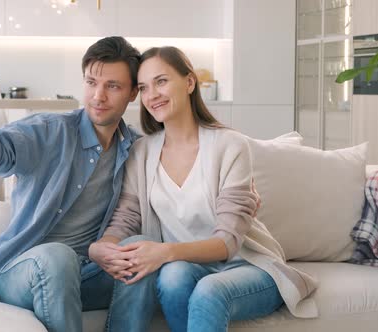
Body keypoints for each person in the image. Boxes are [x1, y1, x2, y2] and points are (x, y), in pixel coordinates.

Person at [0, 36, 158, 332]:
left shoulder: (135, 149)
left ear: (133, 93)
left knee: (139, 250)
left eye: (112, 86)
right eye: (91, 82)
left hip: (87, 274)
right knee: (58, 256)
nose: (98, 96)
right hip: (23, 272)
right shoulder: (48, 131)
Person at [97, 46, 319, 332]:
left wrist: (164, 252)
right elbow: (126, 218)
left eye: (161, 81)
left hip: (249, 266)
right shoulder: (141, 152)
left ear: (189, 82)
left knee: (209, 290)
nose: (152, 95)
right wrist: (102, 248)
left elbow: (227, 243)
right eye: (143, 87)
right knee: (172, 277)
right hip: (188, 267)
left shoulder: (229, 145)